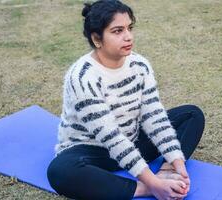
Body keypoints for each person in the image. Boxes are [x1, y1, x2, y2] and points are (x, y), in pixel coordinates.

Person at [47, 0, 205, 199]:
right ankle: (141, 189)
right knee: (60, 171)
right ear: (97, 39)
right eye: (117, 31)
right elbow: (111, 137)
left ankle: (167, 174)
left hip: (132, 141)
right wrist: (153, 184)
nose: (128, 36)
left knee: (192, 115)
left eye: (130, 28)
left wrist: (176, 166)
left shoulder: (140, 65)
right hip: (93, 150)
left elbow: (154, 117)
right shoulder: (82, 76)